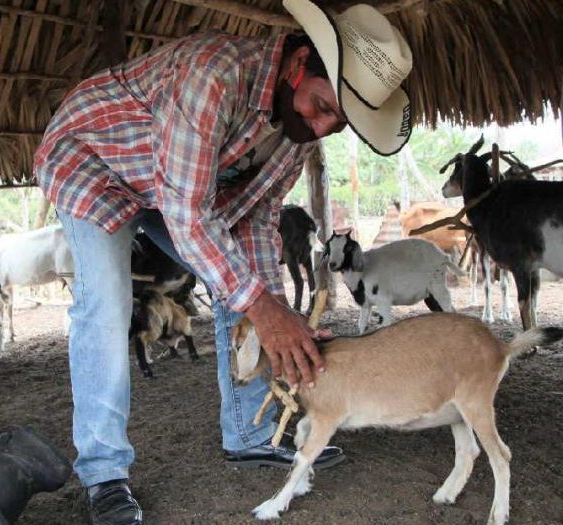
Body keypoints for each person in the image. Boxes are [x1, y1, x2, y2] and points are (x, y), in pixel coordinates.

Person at [34, 0, 413, 523]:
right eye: (323, 106)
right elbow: (189, 216)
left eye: (338, 123)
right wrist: (262, 306)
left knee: (248, 286)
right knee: (107, 305)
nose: (323, 128)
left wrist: (274, 307)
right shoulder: (214, 76)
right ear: (298, 63)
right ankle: (104, 475)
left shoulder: (297, 130)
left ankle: (250, 430)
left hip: (169, 188)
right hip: (94, 161)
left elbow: (256, 221)